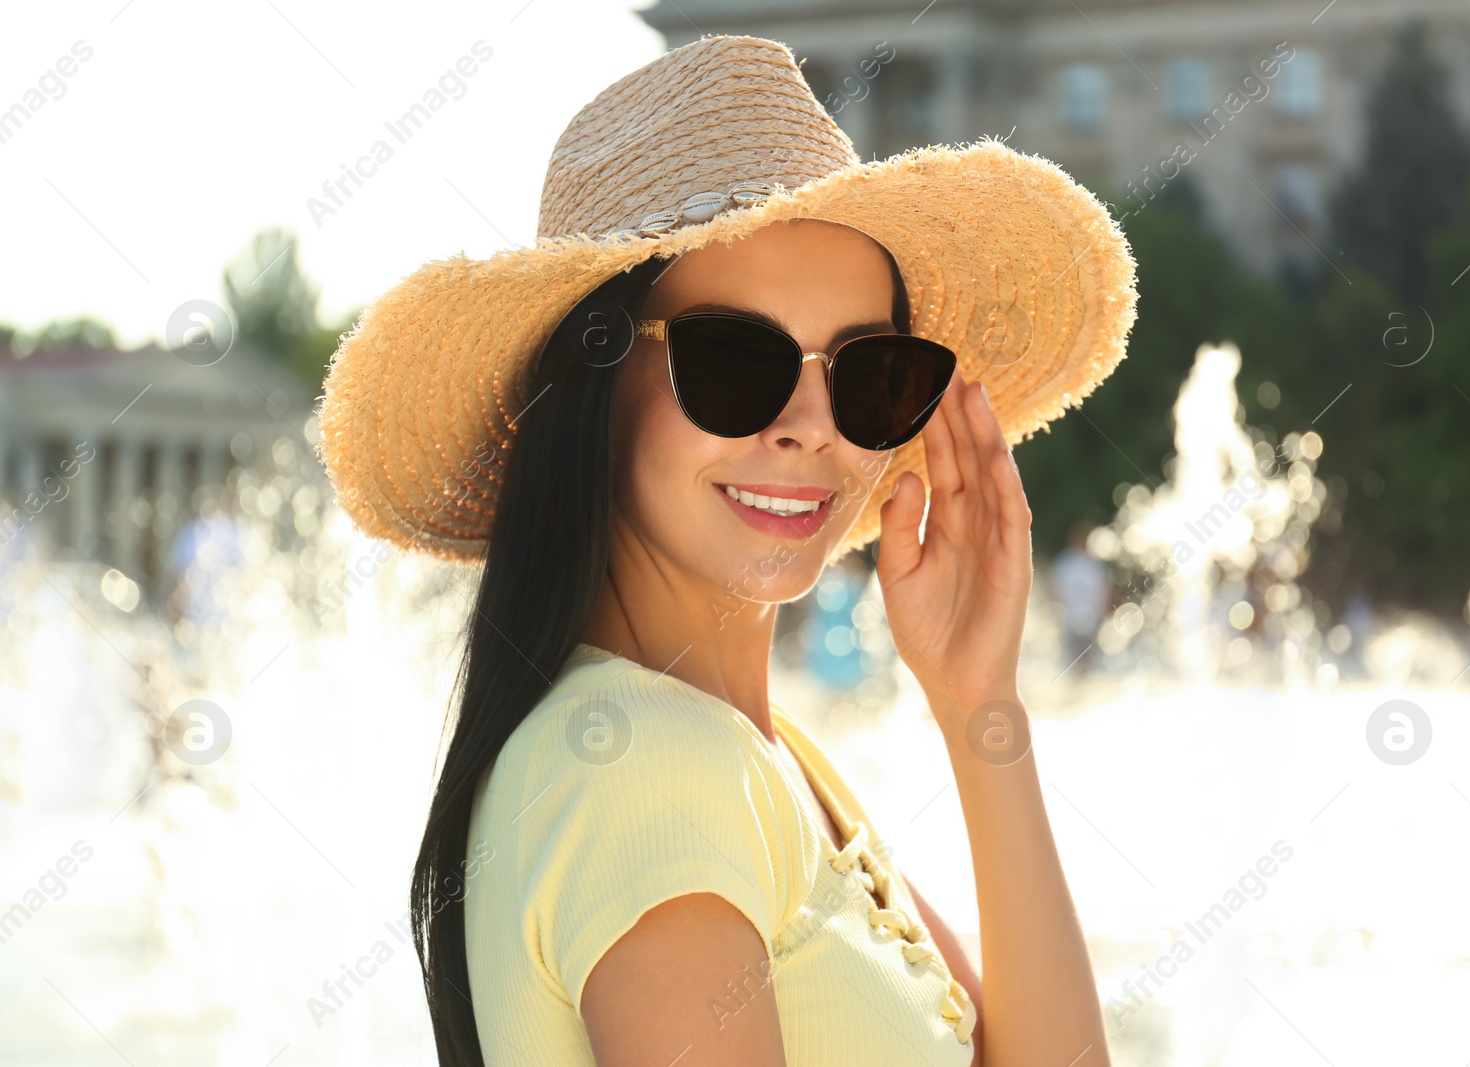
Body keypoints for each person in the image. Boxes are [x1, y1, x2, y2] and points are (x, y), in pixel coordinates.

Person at [316, 34, 1138, 1067]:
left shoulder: (755, 751)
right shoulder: (645, 767)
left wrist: (980, 704)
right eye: (734, 360)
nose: (810, 426)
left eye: (868, 370)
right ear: (596, 388)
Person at [1051, 521, 1110, 671]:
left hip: (1091, 620)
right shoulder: (1064, 563)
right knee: (1070, 659)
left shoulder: (1094, 565)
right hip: (1069, 620)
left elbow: (1102, 592)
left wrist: (1101, 616)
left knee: (1090, 659)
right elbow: (1056, 591)